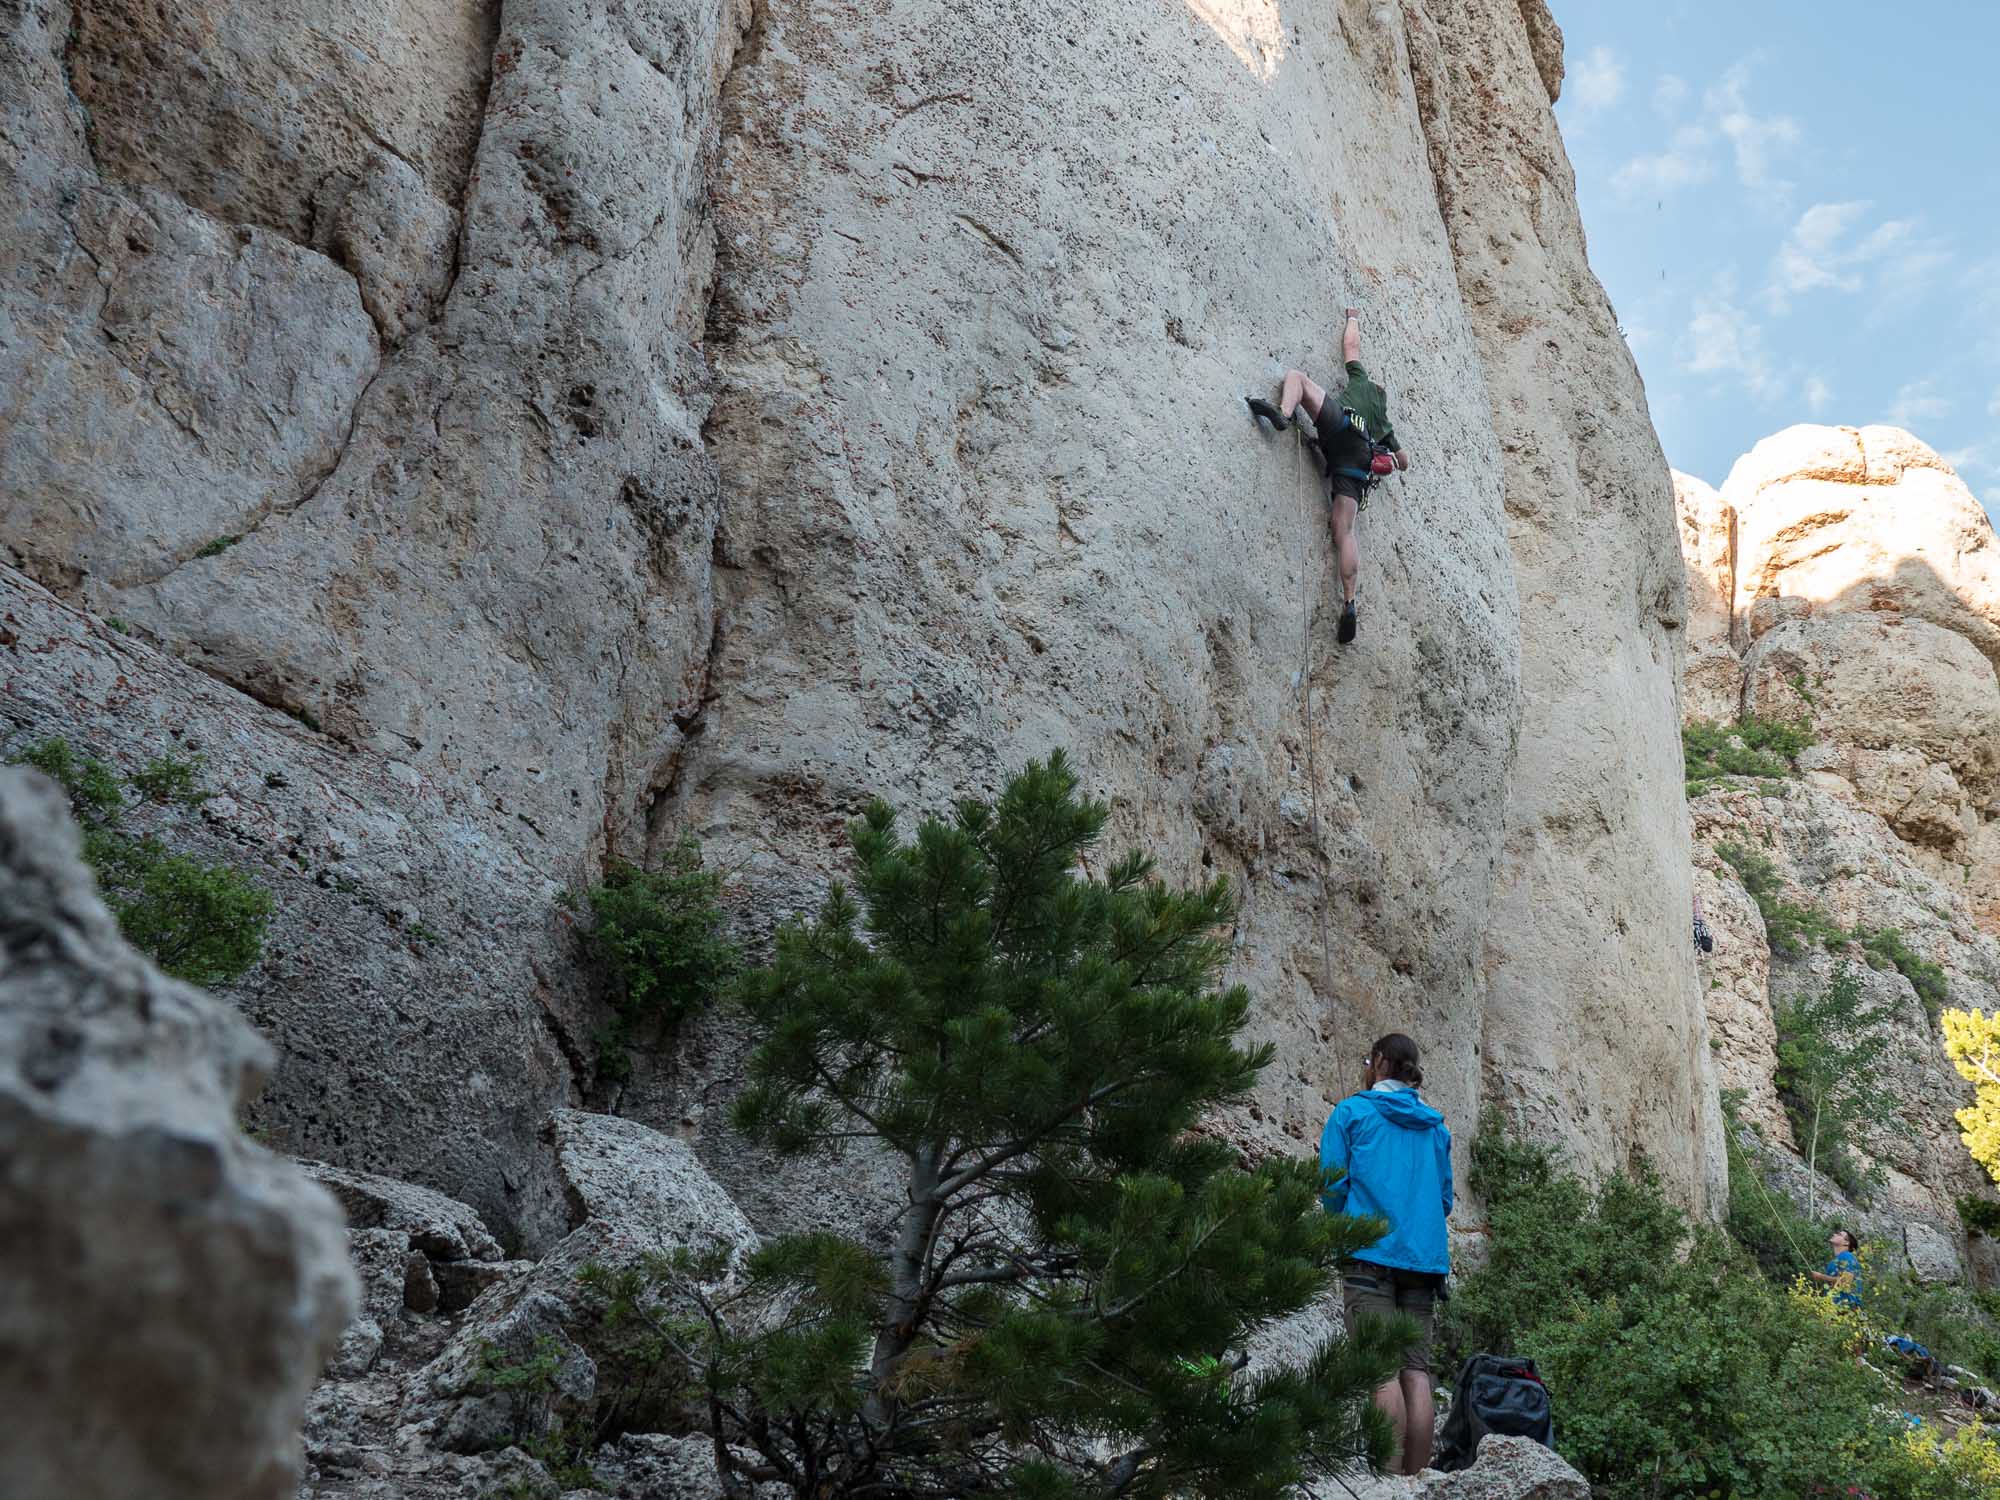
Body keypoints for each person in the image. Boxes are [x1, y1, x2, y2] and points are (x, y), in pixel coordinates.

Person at [1321, 1032, 1453, 1476]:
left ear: (1378, 1061)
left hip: (1368, 1255)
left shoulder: (1351, 1113)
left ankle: (1386, 1483)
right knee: (1416, 1371)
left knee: (1380, 1372)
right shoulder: (1435, 1128)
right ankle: (1417, 1483)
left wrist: (1347, 1228)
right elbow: (1444, 1200)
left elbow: (1332, 1186)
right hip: (1422, 1264)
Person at [1246, 307, 1411, 645]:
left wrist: (1353, 318)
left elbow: (1351, 346)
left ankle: (1284, 413)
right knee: (1344, 531)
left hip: (1342, 427)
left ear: (1372, 387)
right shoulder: (1384, 424)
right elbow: (1404, 462)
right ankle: (1349, 602)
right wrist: (1393, 456)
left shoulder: (1362, 382)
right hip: (1356, 463)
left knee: (1298, 378)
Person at [1809, 1228, 1864, 1309]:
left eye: (1839, 1234)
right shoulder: (1836, 1260)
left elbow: (1846, 1282)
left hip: (1846, 1309)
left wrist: (1820, 1276)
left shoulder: (1847, 1256)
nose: (1834, 1234)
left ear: (1846, 1243)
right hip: (1834, 1308)